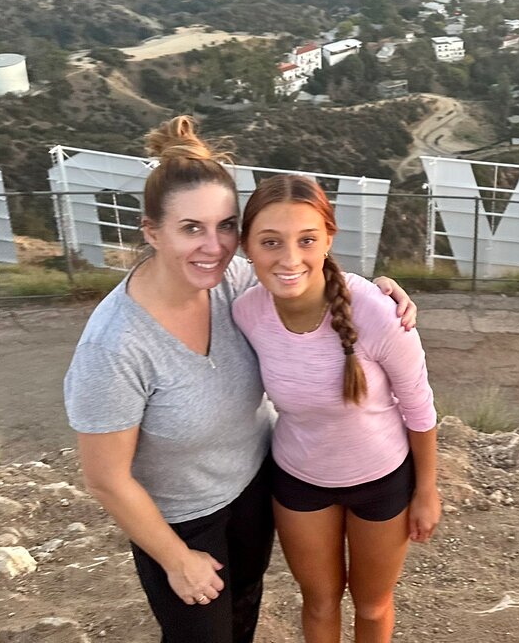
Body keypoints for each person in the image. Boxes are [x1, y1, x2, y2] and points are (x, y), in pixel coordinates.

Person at [63, 117, 417, 643]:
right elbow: (105, 478)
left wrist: (379, 292)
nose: (214, 246)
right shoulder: (114, 346)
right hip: (181, 522)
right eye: (191, 229)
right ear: (151, 230)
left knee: (242, 621)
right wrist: (177, 559)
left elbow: (300, 265)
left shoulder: (233, 279)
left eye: (226, 226)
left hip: (255, 492)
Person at [233, 174, 440, 643]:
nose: (289, 258)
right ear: (247, 246)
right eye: (270, 241)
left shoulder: (376, 312)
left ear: (328, 237)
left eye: (307, 239)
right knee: (320, 602)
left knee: (371, 605)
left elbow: (419, 408)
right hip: (299, 481)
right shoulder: (245, 312)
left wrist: (426, 489)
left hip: (382, 482)